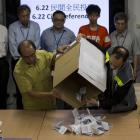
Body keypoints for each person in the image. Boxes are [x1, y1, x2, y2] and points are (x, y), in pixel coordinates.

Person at [13, 40, 63, 110]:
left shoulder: (42, 54)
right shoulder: (18, 71)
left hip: (51, 104)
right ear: (21, 56)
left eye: (32, 54)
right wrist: (51, 94)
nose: (31, 59)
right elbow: (30, 93)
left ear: (35, 50)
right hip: (33, 108)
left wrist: (58, 52)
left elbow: (53, 60)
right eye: (26, 57)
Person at [86, 46, 137, 113]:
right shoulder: (110, 51)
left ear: (123, 63)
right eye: (111, 63)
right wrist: (85, 38)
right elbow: (98, 47)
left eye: (116, 66)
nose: (112, 67)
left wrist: (98, 103)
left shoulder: (126, 77)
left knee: (110, 109)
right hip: (113, 87)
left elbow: (117, 99)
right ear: (111, 54)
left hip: (123, 99)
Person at [8, 4, 40, 109]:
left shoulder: (35, 25)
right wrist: (25, 57)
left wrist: (30, 57)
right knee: (21, 88)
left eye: (27, 15)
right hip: (18, 61)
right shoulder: (12, 27)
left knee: (34, 87)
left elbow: (37, 44)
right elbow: (13, 47)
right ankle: (21, 111)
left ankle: (35, 109)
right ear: (18, 16)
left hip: (33, 60)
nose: (25, 18)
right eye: (23, 16)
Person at [110, 12, 140, 80]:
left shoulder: (132, 36)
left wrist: (135, 71)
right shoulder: (111, 36)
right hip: (115, 68)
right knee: (115, 88)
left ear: (126, 24)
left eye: (122, 24)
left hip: (128, 67)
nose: (120, 26)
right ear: (115, 23)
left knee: (128, 88)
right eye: (118, 23)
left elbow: (136, 54)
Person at [0, 24, 9, 109]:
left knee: (2, 90)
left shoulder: (3, 29)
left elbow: (6, 46)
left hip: (2, 61)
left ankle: (3, 113)